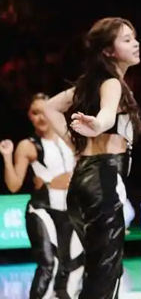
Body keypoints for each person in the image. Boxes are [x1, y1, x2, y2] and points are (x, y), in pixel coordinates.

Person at [42, 17, 141, 299]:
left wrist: (74, 141)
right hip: (103, 181)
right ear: (108, 51)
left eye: (134, 37)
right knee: (104, 278)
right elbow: (107, 114)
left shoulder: (90, 84)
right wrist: (97, 125)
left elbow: (49, 107)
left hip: (82, 182)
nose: (135, 43)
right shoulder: (112, 83)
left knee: (99, 273)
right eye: (126, 40)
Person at [0, 93, 84, 299]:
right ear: (29, 116)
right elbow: (13, 185)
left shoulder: (71, 139)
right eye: (35, 113)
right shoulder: (27, 146)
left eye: (45, 111)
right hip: (43, 210)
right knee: (50, 263)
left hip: (71, 211)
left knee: (74, 265)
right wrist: (7, 157)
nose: (41, 117)